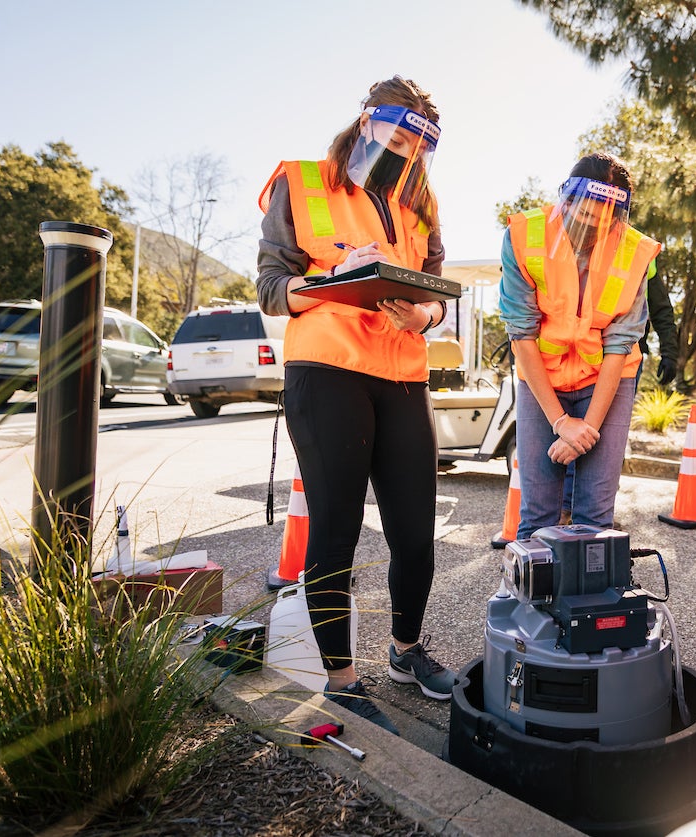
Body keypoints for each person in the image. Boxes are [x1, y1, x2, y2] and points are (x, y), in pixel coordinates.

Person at [256, 75, 458, 736]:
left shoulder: (421, 202)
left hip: (402, 373)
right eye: (399, 134)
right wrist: (332, 286)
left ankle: (405, 652)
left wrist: (424, 314)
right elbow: (270, 285)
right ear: (368, 121)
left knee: (414, 533)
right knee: (336, 530)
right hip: (327, 371)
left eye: (421, 144)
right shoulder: (305, 182)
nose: (408, 152)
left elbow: (437, 292)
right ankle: (342, 679)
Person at [499, 153, 661, 537]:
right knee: (537, 511)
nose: (587, 228)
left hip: (607, 380)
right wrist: (560, 422)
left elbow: (620, 344)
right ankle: (532, 597)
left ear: (619, 218)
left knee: (595, 514)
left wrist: (584, 430)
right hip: (541, 381)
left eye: (600, 222)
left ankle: (590, 596)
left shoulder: (635, 251)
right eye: (582, 215)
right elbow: (521, 332)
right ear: (565, 200)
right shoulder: (524, 236)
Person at [559, 258, 677, 524]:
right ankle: (566, 510)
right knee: (573, 432)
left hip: (623, 359)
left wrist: (670, 351)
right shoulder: (577, 243)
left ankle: (591, 514)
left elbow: (660, 308)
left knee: (607, 440)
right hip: (575, 356)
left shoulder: (638, 251)